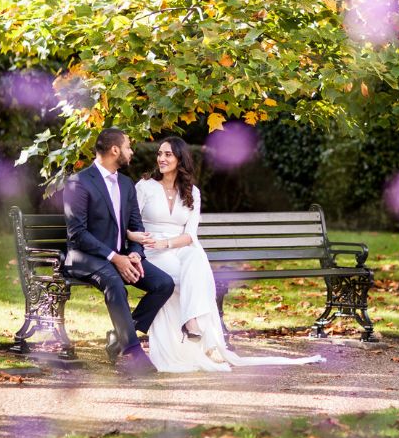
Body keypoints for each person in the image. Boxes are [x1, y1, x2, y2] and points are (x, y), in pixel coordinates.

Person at [128, 136, 324, 372]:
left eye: (168, 154)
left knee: (193, 257)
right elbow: (129, 225)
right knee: (186, 278)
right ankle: (194, 329)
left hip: (176, 247)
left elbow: (190, 235)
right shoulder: (145, 187)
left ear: (180, 158)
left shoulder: (192, 192)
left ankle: (191, 322)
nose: (161, 158)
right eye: (159, 154)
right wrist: (140, 239)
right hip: (150, 250)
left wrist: (167, 243)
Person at [63, 127, 175, 375]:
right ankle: (132, 353)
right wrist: (116, 258)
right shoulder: (78, 183)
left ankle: (121, 335)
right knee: (115, 282)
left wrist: (135, 254)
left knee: (164, 283)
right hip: (84, 257)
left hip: (121, 255)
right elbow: (77, 234)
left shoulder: (126, 184)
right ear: (115, 150)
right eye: (128, 147)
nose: (131, 152)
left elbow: (136, 226)